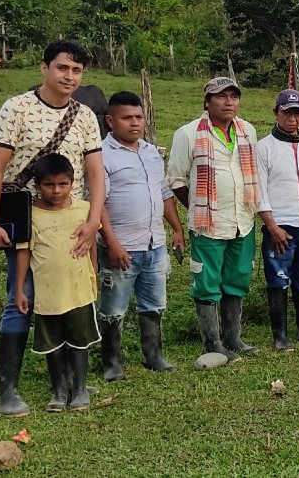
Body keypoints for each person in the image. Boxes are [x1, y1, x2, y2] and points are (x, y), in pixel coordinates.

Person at [0, 39, 104, 417]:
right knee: (21, 300)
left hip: (74, 222)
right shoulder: (15, 109)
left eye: (77, 71)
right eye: (62, 68)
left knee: (74, 298)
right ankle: (9, 391)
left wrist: (93, 221)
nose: (69, 76)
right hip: (26, 219)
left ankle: (71, 382)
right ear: (44, 67)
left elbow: (97, 174)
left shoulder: (85, 115)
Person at [167, 77, 260, 363]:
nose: (229, 102)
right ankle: (212, 342)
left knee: (238, 277)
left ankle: (233, 337)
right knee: (207, 281)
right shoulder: (188, 133)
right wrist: (198, 207)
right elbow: (176, 180)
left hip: (242, 218)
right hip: (208, 222)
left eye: (234, 96)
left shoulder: (248, 131)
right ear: (207, 102)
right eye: (221, 97)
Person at [97, 91, 183, 381]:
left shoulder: (151, 152)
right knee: (113, 308)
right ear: (111, 121)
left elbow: (163, 192)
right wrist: (112, 242)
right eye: (127, 118)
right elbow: (97, 203)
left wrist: (177, 229)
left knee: (154, 302)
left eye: (139, 117)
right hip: (120, 246)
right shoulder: (100, 154)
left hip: (154, 243)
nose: (134, 123)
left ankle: (153, 355)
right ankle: (111, 362)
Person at [15, 154, 100, 412]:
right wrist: (19, 288)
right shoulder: (30, 214)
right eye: (49, 185)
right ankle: (59, 391)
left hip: (79, 291)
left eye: (63, 184)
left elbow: (91, 245)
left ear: (72, 183)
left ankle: (81, 389)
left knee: (79, 340)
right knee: (53, 345)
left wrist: (93, 274)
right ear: (37, 185)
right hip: (47, 295)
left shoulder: (84, 209)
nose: (56, 190)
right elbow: (23, 251)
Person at [255, 89, 299, 350]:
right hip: (280, 224)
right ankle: (280, 336)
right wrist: (272, 226)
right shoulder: (264, 147)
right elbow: (259, 189)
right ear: (276, 113)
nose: (292, 118)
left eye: (297, 113)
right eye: (287, 112)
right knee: (278, 279)